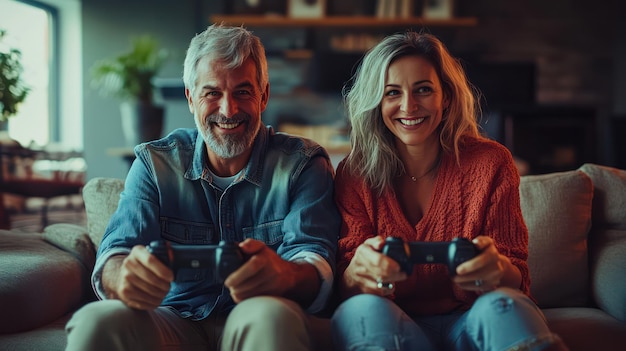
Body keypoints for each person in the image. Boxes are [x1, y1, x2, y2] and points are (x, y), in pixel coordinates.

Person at [65, 23, 339, 351]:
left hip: (259, 311)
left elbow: (315, 259)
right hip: (173, 317)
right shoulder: (155, 163)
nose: (228, 110)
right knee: (96, 321)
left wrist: (285, 274)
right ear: (191, 98)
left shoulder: (303, 164)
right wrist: (124, 277)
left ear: (263, 95)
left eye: (243, 92)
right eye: (212, 93)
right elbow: (116, 252)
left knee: (271, 317)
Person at [330, 31, 569, 351]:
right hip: (392, 322)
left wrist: (495, 268)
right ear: (376, 101)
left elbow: (518, 280)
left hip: (473, 316)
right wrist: (357, 273)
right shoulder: (354, 173)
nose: (408, 106)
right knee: (361, 309)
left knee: (505, 305)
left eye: (424, 89)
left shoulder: (491, 162)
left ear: (447, 96)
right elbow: (345, 290)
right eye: (391, 93)